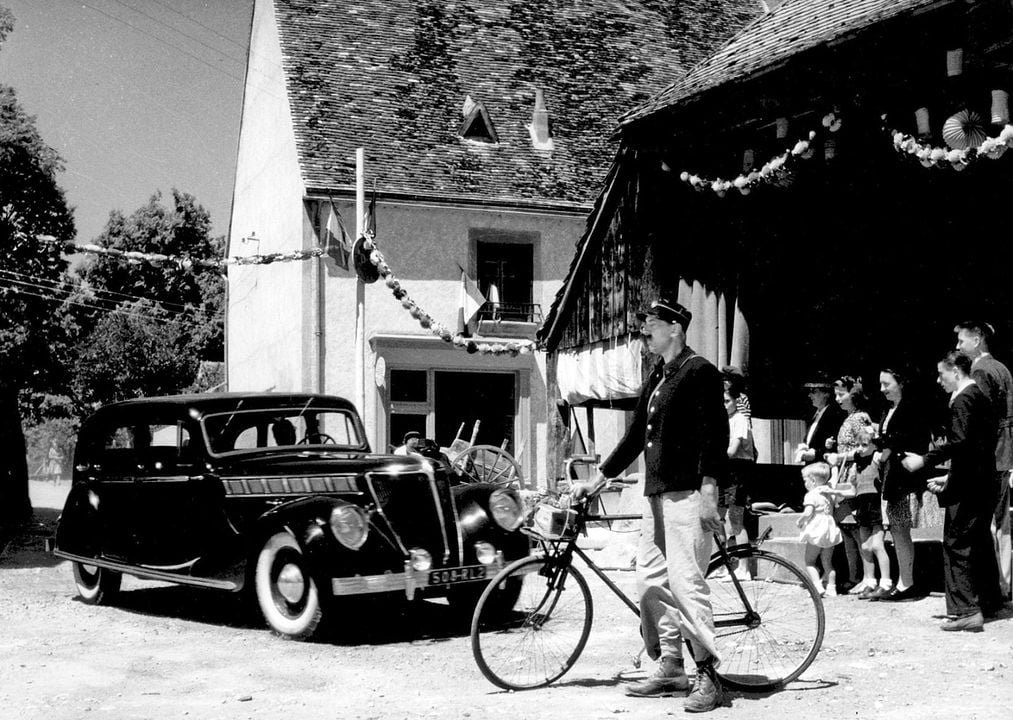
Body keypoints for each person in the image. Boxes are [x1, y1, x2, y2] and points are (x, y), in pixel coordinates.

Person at [575, 294, 728, 712]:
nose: (644, 333)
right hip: (655, 494)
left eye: (651, 327)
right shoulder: (659, 375)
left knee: (685, 585)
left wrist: (710, 491)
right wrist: (597, 480)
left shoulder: (700, 372)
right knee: (650, 582)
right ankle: (672, 665)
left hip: (688, 495)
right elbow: (633, 438)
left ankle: (708, 676)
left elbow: (715, 436)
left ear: (675, 329)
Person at [901, 351, 1003, 630]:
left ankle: (966, 611)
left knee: (957, 544)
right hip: (981, 482)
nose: (938, 380)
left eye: (941, 374)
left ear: (956, 371)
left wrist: (924, 459)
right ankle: (989, 602)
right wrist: (950, 478)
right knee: (979, 543)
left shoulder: (963, 399)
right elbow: (974, 449)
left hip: (969, 488)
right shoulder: (980, 398)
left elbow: (960, 443)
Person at [954, 321, 1013, 602]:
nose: (958, 347)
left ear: (977, 340)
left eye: (962, 341)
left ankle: (996, 587)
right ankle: (1004, 584)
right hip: (1005, 453)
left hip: (992, 456)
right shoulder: (1002, 368)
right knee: (1003, 523)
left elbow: (982, 421)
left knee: (989, 524)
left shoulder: (980, 370)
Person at [874, 366, 931, 602]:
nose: (882, 389)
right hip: (890, 475)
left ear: (900, 383)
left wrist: (882, 444)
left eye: (887, 384)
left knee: (900, 527)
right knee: (897, 529)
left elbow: (909, 439)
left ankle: (907, 583)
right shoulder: (888, 409)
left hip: (904, 476)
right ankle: (904, 581)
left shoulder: (911, 408)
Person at [824, 376, 874, 593]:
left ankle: (865, 575)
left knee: (855, 527)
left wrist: (841, 456)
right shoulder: (849, 418)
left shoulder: (860, 417)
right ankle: (855, 575)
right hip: (845, 476)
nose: (837, 399)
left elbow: (866, 446)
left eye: (841, 394)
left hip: (854, 477)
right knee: (846, 526)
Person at [850, 427, 894, 599]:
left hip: (875, 504)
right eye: (858, 445)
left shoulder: (876, 458)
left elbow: (885, 454)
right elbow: (855, 488)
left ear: (873, 445)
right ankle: (870, 581)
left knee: (877, 545)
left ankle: (886, 582)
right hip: (862, 506)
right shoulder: (857, 464)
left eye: (864, 444)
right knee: (865, 546)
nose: (860, 448)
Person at [797, 461, 843, 596]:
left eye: (805, 481)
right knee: (828, 562)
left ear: (812, 480)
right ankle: (832, 588)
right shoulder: (828, 492)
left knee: (809, 561)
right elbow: (834, 479)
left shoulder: (811, 495)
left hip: (817, 529)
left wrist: (800, 521)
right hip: (829, 528)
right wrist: (834, 467)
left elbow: (808, 512)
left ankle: (817, 587)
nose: (805, 484)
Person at [722, 388, 754, 570]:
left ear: (736, 401)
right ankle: (726, 565)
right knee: (719, 520)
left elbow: (732, 450)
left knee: (735, 519)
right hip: (724, 470)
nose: (724, 405)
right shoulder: (723, 420)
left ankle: (744, 567)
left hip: (738, 470)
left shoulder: (740, 419)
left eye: (727, 401)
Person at [795, 377, 846, 464]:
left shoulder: (833, 416)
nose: (809, 395)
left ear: (826, 394)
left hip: (823, 467)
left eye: (814, 392)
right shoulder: (815, 415)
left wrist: (816, 454)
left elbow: (834, 445)